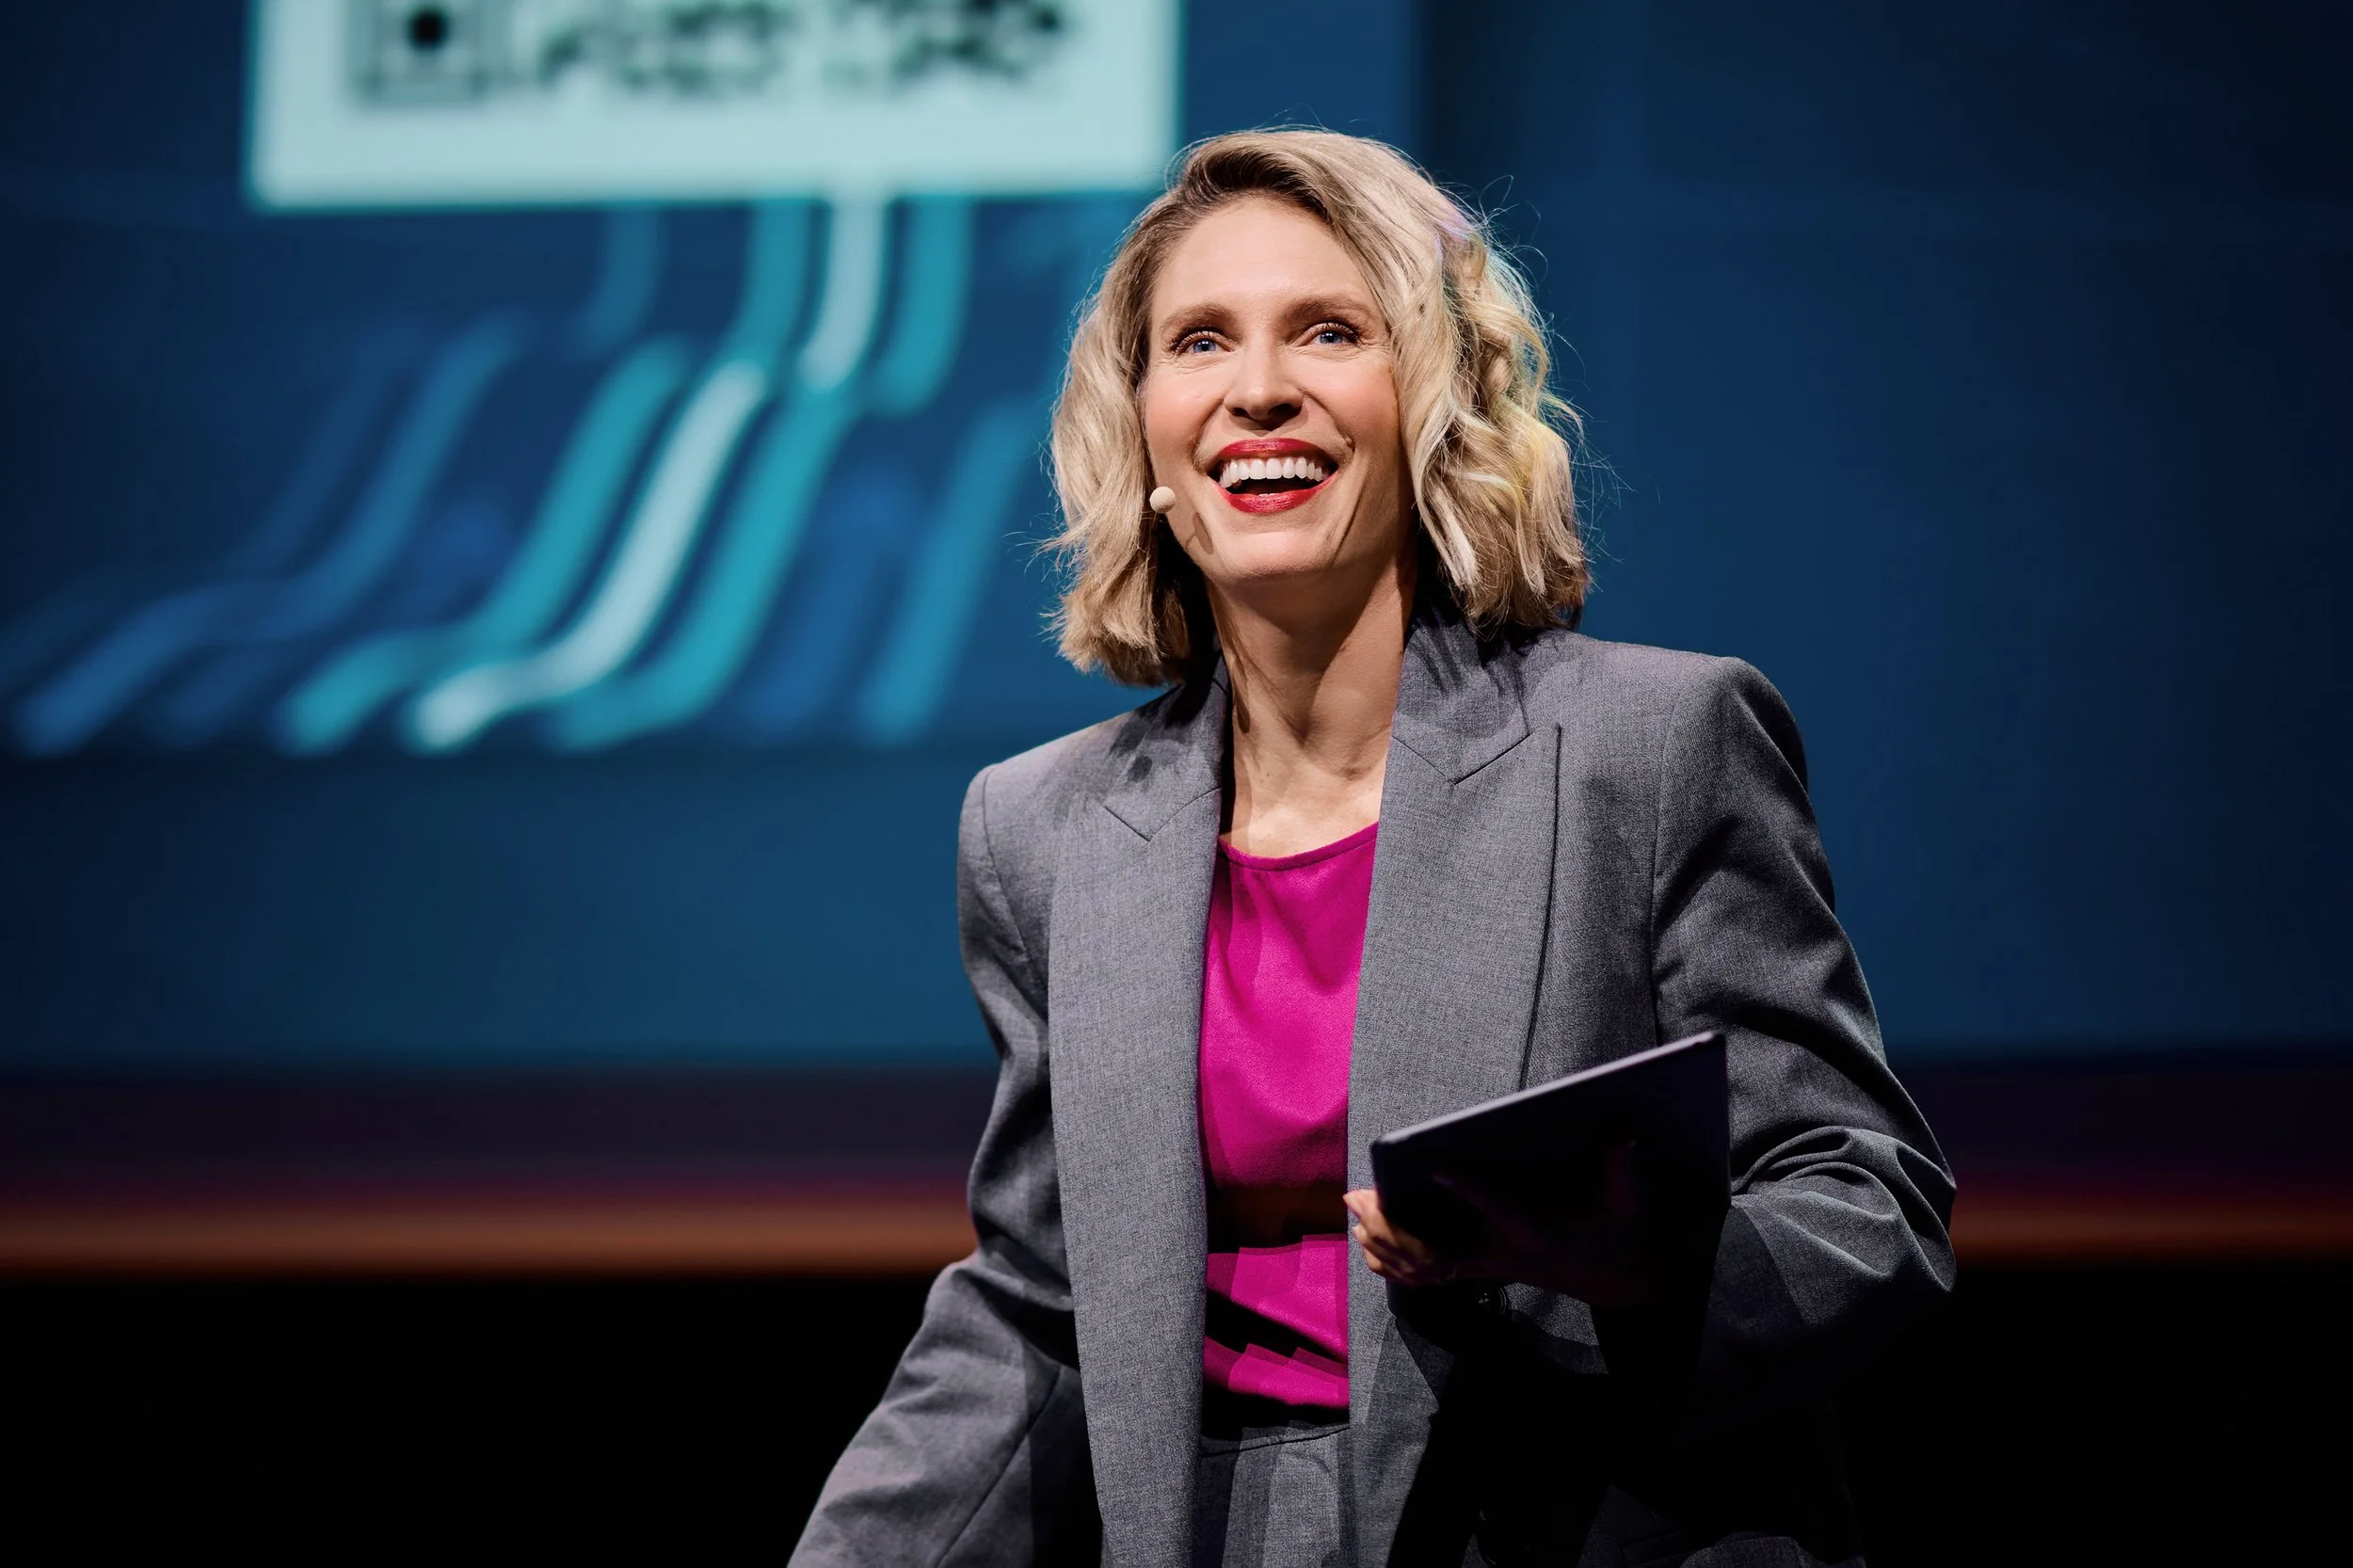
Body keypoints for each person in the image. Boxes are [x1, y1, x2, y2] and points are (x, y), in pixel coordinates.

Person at [791, 129, 1954, 1568]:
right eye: (1199, 341)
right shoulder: (1042, 829)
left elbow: (1864, 1200)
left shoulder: (1653, 745)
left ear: (1436, 399)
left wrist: (1604, 1271)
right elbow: (1040, 1309)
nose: (1257, 387)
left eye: (1330, 331)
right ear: (1141, 428)